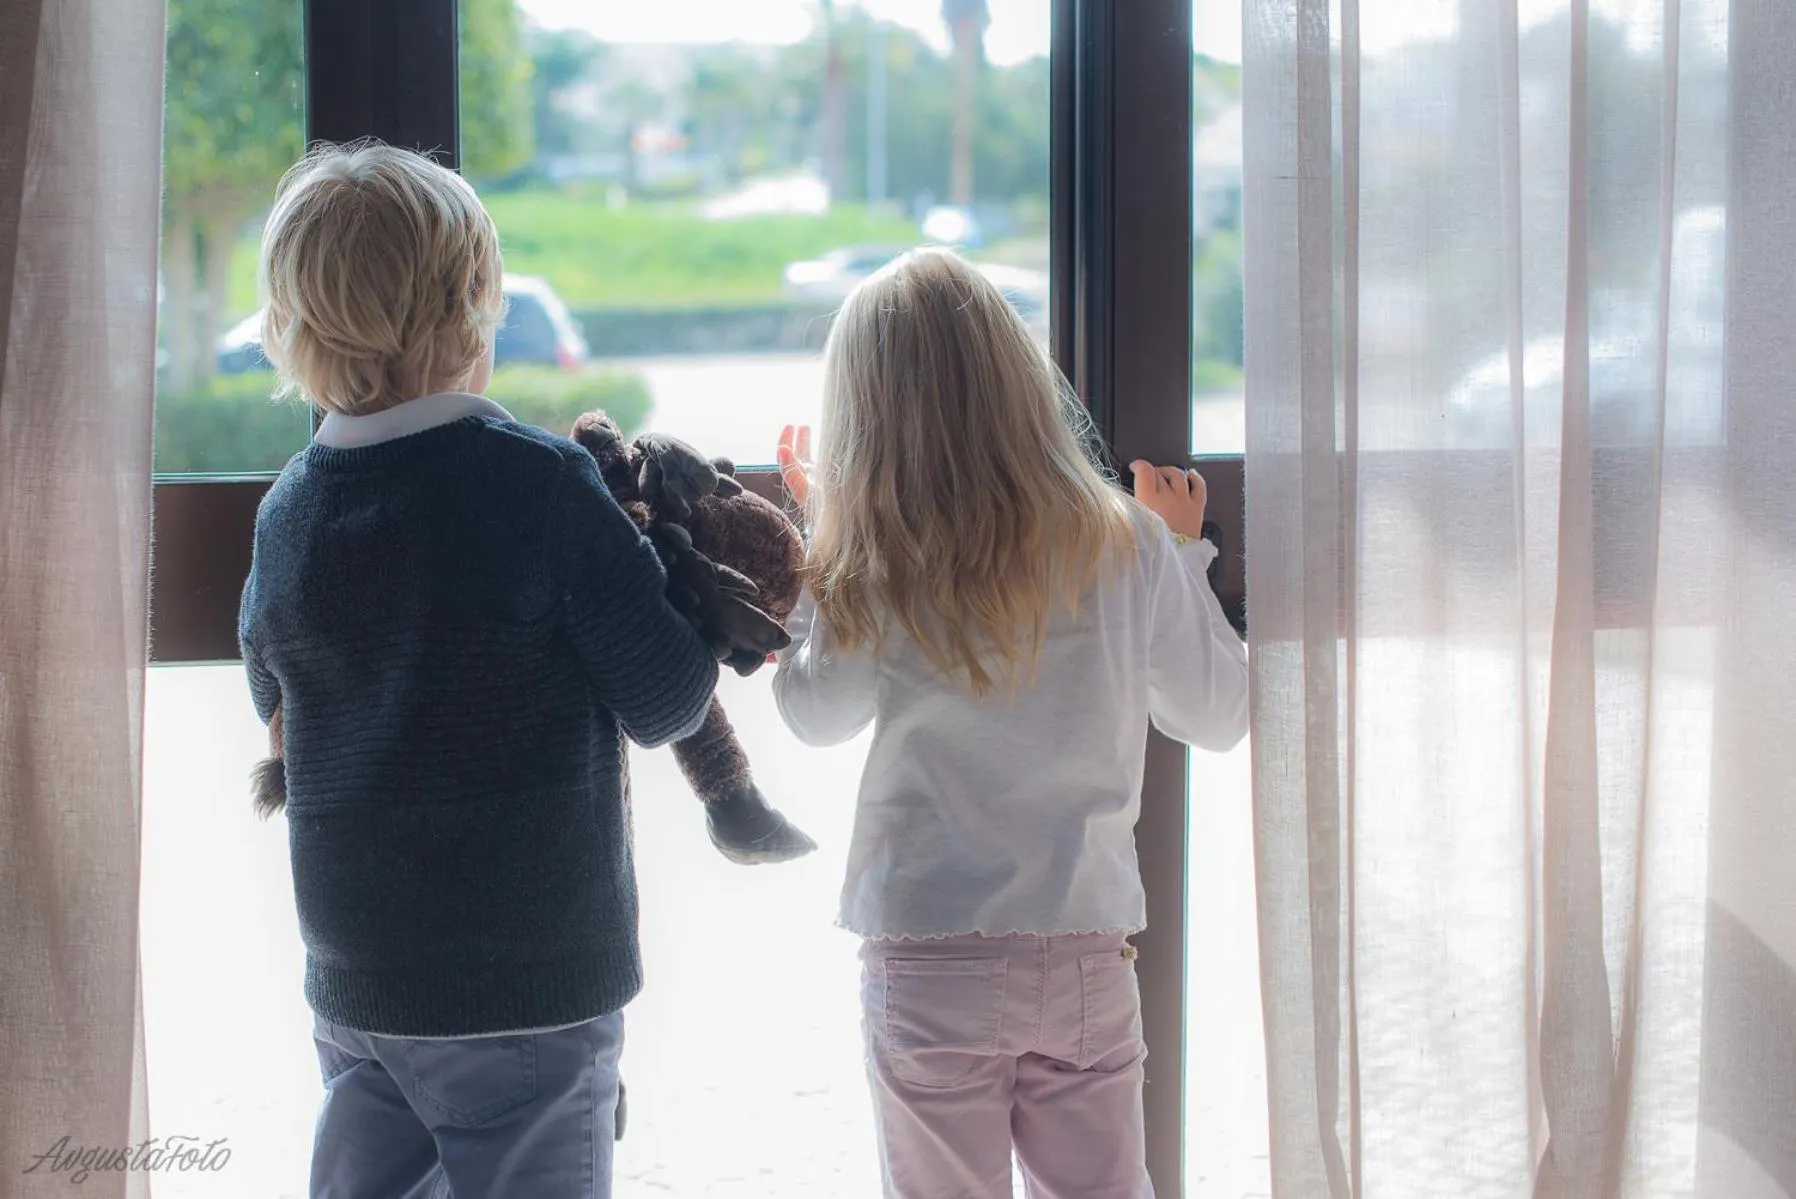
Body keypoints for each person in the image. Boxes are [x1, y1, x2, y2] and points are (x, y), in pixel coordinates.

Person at [237, 141, 718, 1199]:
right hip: (525, 981)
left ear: (292, 325)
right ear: (473, 307)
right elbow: (665, 696)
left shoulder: (288, 512)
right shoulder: (538, 484)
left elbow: (275, 700)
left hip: (358, 978)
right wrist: (678, 585)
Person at [772, 248, 1249, 1198]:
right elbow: (1219, 715)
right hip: (1082, 955)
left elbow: (813, 715)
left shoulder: (883, 559)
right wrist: (1186, 554)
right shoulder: (1126, 540)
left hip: (929, 955)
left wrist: (817, 565)